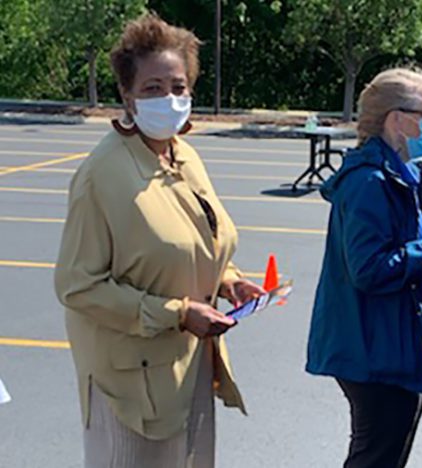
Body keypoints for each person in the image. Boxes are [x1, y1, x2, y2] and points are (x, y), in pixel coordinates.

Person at [54, 14, 264, 468]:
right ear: (126, 95)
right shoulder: (100, 175)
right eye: (153, 88)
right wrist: (177, 313)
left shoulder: (183, 155)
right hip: (131, 385)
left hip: (189, 368)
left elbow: (199, 238)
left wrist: (229, 281)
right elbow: (77, 286)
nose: (169, 99)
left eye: (178, 87)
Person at [306, 68, 422, 468]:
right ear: (396, 119)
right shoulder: (370, 182)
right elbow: (369, 268)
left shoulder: (395, 174)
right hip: (375, 351)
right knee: (376, 457)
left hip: (391, 343)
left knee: (382, 455)